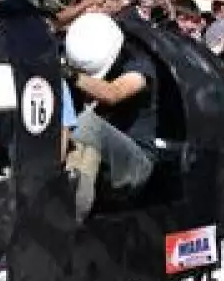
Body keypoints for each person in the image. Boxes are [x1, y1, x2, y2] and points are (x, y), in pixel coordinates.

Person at [61, 12, 159, 223]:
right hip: (92, 153)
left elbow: (112, 94)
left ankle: (74, 208)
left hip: (135, 163)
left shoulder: (139, 68)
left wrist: (70, 74)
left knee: (86, 122)